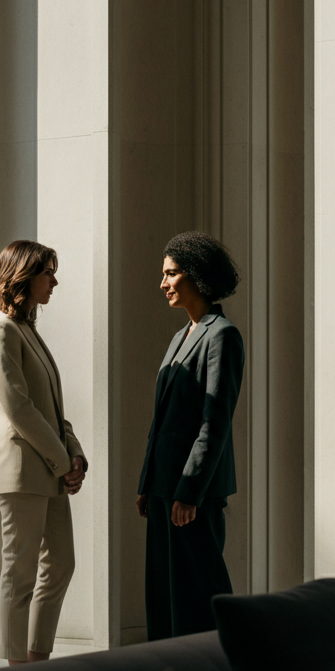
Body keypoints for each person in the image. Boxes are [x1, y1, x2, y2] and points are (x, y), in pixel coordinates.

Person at [0, 240, 87, 665]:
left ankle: (36, 659)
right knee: (19, 572)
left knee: (60, 564)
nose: (54, 282)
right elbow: (18, 407)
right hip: (24, 471)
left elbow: (53, 409)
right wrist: (62, 463)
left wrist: (74, 454)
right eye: (48, 273)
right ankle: (15, 670)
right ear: (23, 276)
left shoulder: (27, 331)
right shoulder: (0, 330)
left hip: (50, 468)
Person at [136, 231, 245, 640]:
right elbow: (162, 421)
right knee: (165, 592)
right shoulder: (179, 337)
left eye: (172, 273)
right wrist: (149, 482)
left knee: (199, 588)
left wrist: (189, 491)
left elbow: (214, 423)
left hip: (190, 493)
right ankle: (167, 669)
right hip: (164, 487)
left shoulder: (221, 335)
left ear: (196, 275)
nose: (163, 283)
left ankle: (217, 666)